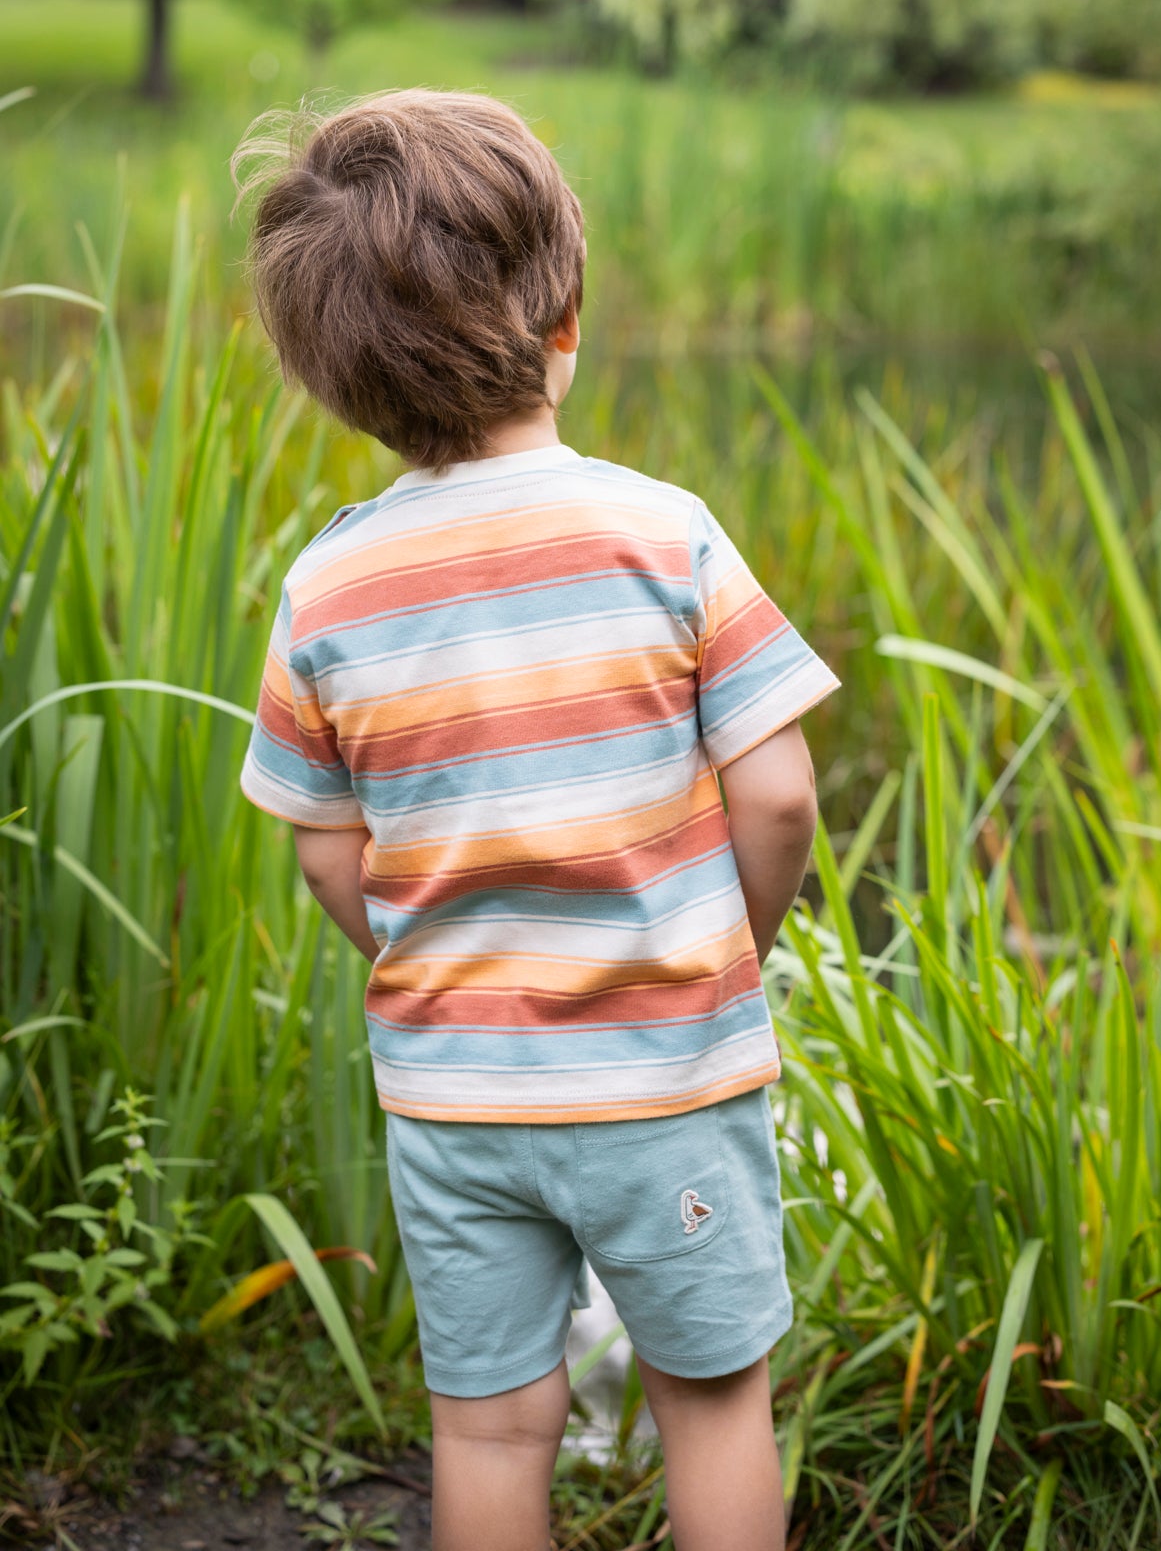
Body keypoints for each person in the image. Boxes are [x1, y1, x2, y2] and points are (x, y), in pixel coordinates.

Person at [235, 89, 839, 1551]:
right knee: (713, 1403)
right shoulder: (663, 532)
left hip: (454, 1100)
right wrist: (727, 946)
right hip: (665, 1082)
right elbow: (778, 792)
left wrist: (435, 959)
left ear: (342, 382)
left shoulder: (327, 588)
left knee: (492, 1426)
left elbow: (325, 846)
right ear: (562, 319)